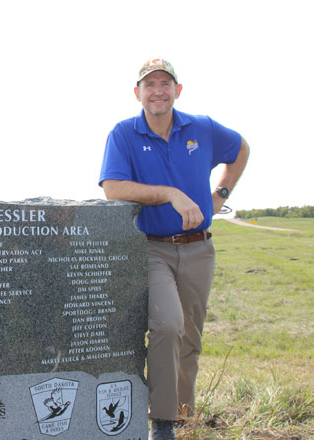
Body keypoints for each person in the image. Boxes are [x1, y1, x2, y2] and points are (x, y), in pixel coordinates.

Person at [98, 59, 249, 440]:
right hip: (153, 249)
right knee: (167, 326)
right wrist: (170, 194)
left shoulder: (202, 128)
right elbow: (113, 187)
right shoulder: (124, 134)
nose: (158, 91)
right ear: (138, 93)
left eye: (165, 83)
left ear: (177, 90)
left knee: (190, 338)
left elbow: (241, 148)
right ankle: (161, 423)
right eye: (149, 85)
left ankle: (183, 416)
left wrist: (221, 194)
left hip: (200, 249)